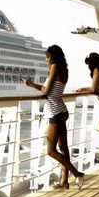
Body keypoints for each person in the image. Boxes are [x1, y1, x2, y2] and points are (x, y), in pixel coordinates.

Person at [24, 45, 83, 189]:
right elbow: (51, 90)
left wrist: (31, 85)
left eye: (47, 57)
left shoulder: (55, 67)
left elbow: (47, 90)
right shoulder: (64, 68)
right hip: (61, 110)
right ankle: (64, 181)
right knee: (63, 147)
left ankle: (77, 174)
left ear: (53, 57)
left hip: (55, 112)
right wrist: (37, 86)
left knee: (51, 150)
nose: (45, 60)